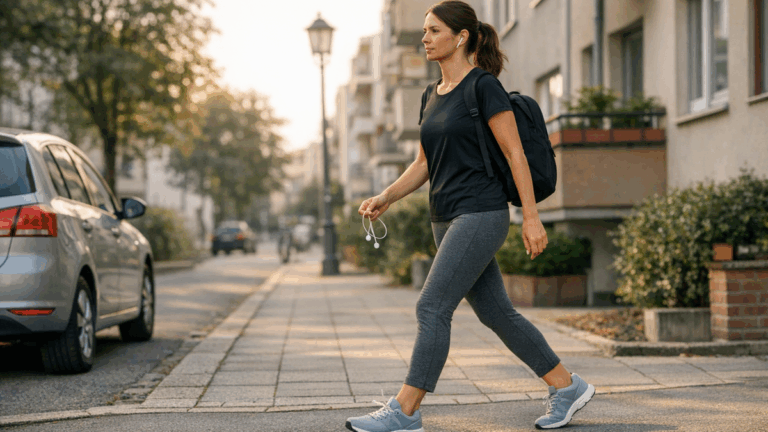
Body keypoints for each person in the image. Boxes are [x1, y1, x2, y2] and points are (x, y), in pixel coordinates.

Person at [346, 1, 594, 431]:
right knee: (496, 313)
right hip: (443, 217)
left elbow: (515, 154)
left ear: (461, 37)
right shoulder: (430, 95)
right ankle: (567, 385)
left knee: (431, 307)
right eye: (424, 30)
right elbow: (424, 163)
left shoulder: (483, 87)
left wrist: (531, 217)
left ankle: (405, 410)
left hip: (481, 212)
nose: (425, 38)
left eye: (434, 30)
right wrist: (387, 196)